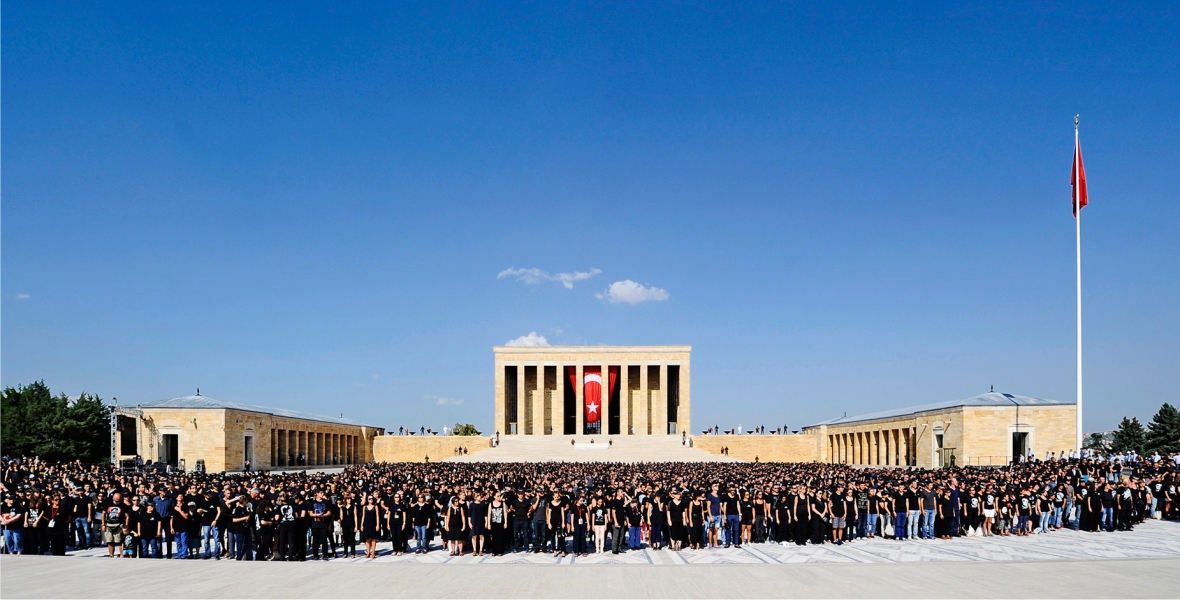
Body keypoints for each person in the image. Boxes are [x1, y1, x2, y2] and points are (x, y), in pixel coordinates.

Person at [101, 492, 127, 558]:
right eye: (116, 501)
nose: (118, 502)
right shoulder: (107, 504)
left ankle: (121, 554)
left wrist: (125, 526)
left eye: (119, 501)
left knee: (120, 541)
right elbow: (103, 514)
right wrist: (103, 524)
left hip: (119, 524)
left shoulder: (123, 505)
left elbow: (127, 516)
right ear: (113, 498)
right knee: (110, 541)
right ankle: (111, 555)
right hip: (109, 524)